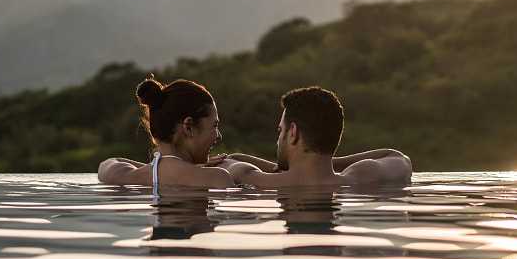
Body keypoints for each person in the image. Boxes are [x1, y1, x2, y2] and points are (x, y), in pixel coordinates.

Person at [217, 86, 411, 188]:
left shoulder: (255, 179)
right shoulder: (360, 177)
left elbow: (226, 163)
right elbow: (398, 158)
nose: (278, 140)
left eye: (280, 131)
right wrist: (323, 158)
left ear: (293, 133)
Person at [97, 76, 233, 191]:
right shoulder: (216, 178)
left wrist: (158, 167)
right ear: (188, 127)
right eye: (214, 125)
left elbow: (106, 164)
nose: (218, 135)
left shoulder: (127, 177)